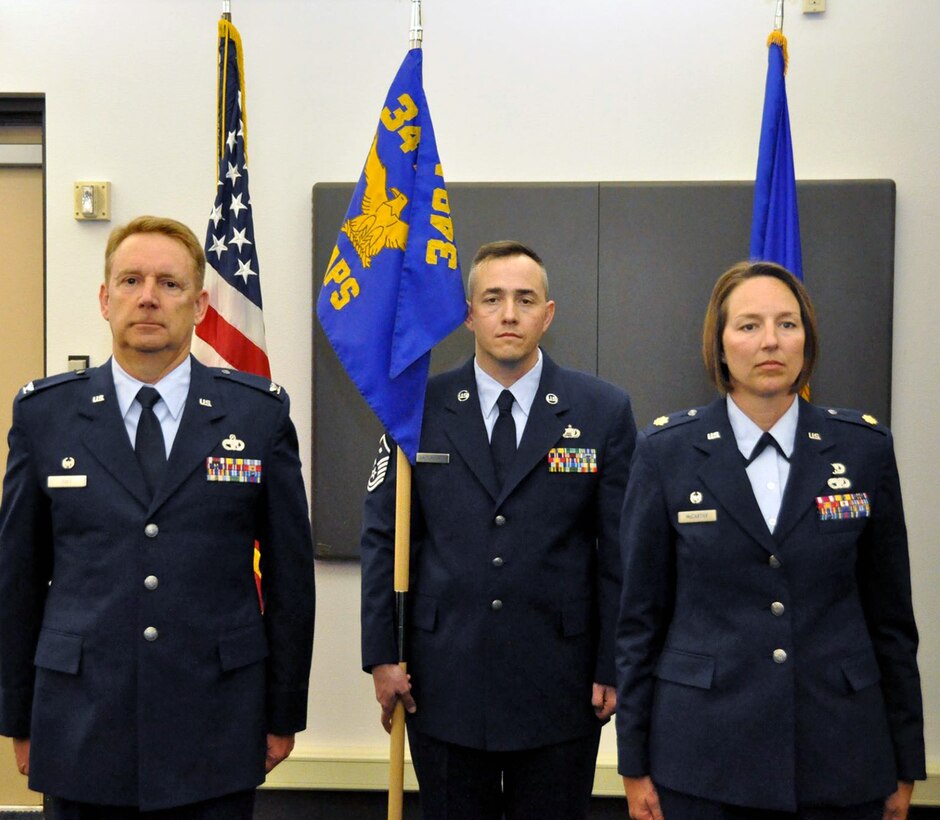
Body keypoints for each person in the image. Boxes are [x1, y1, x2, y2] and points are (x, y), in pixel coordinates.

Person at [0, 216, 316, 818]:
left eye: (169, 284)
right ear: (105, 299)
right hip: (79, 720)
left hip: (216, 719)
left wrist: (282, 711)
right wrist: (18, 714)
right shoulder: (46, 415)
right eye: (131, 280)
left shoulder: (256, 416)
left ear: (199, 306)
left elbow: (290, 580)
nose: (148, 297)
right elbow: (17, 576)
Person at [615, 261, 925, 820]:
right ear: (719, 344)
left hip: (842, 756)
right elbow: (640, 621)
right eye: (749, 325)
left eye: (787, 324)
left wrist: (906, 762)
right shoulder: (666, 453)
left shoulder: (864, 450)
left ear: (807, 339)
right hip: (702, 759)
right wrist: (633, 763)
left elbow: (892, 622)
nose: (770, 342)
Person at [360, 240, 637, 820]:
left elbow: (620, 552)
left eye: (525, 299)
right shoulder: (416, 408)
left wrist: (613, 664)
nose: (509, 314)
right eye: (492, 299)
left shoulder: (602, 411)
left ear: (548, 314)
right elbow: (386, 539)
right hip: (442, 682)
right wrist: (383, 655)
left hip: (560, 685)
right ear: (468, 314)